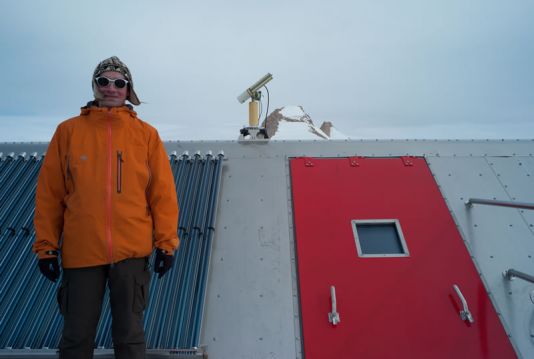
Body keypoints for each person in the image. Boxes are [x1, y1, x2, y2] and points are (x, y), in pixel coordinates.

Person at [32, 56, 179, 359]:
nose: (111, 88)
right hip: (82, 250)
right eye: (104, 81)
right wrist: (46, 247)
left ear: (128, 89)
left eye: (119, 83)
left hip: (131, 252)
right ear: (95, 86)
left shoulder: (146, 134)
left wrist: (167, 244)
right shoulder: (68, 132)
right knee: (76, 337)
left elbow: (162, 194)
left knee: (130, 337)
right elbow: (49, 195)